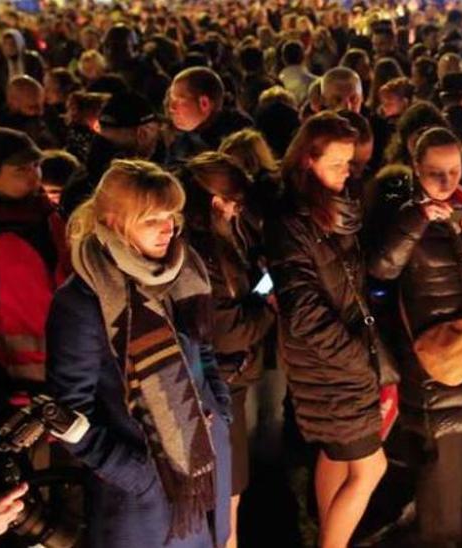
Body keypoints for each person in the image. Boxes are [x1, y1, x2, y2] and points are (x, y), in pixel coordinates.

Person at [46, 159, 232, 547]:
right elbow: (69, 413)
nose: (168, 228)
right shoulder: (83, 301)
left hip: (203, 473)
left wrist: (220, 409)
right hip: (144, 506)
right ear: (113, 221)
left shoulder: (183, 274)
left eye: (171, 215)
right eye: (151, 219)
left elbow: (204, 350)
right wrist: (141, 474)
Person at [369, 127, 462, 545]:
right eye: (435, 172)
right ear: (416, 168)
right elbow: (381, 269)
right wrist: (417, 221)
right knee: (441, 462)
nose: (446, 181)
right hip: (435, 356)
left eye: (453, 170)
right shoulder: (402, 212)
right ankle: (439, 535)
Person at [264, 112, 388, 548]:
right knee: (371, 468)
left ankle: (328, 534)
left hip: (336, 359)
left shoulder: (331, 209)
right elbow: (302, 308)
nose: (346, 173)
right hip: (330, 365)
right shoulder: (292, 222)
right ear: (306, 161)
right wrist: (354, 353)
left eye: (349, 163)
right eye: (336, 164)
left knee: (335, 456)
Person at [180, 152, 277, 548]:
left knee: (228, 496)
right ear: (218, 202)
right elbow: (227, 329)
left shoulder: (226, 238)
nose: (239, 212)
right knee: (224, 501)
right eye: (235, 203)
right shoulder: (202, 254)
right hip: (218, 384)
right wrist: (268, 309)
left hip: (228, 381)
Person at [0, 129, 69, 386]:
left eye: (36, 165)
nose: (35, 176)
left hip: (66, 358)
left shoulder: (50, 215)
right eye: (21, 170)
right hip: (8, 375)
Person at [167, 67, 254, 167]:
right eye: (171, 100)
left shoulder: (240, 138)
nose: (171, 108)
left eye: (179, 101)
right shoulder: (180, 140)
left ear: (204, 103)